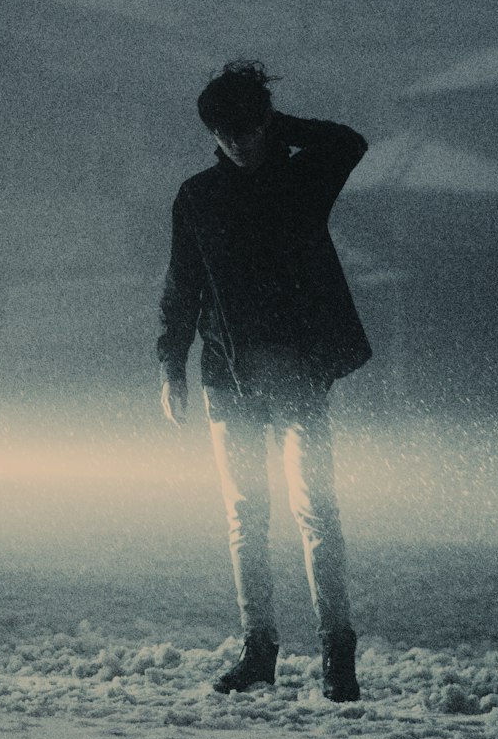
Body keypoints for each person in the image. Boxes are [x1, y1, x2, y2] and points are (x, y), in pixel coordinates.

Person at [157, 60, 371, 702]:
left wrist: (278, 126)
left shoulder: (303, 178)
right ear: (214, 133)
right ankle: (262, 651)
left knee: (314, 511)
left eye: (248, 130)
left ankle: (336, 656)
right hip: (229, 375)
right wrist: (169, 364)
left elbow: (348, 142)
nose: (239, 143)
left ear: (264, 124)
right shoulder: (198, 197)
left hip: (296, 370)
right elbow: (181, 285)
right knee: (249, 517)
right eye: (228, 133)